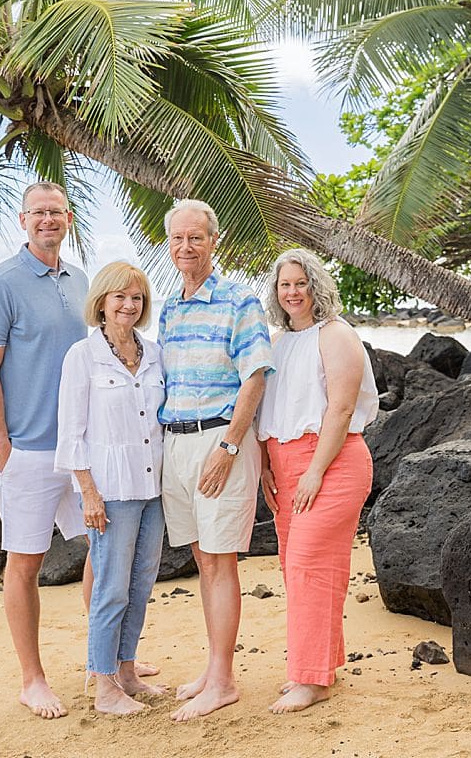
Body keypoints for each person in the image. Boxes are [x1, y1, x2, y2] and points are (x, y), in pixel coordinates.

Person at [0, 181, 88, 719]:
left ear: (68, 218)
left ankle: (107, 656)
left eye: (56, 212)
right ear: (23, 220)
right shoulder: (0, 285)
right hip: (28, 451)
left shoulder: (81, 280)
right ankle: (32, 678)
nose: (48, 221)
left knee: (105, 549)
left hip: (81, 448)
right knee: (25, 562)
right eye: (38, 213)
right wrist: (0, 444)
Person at [156, 199, 273, 721]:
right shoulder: (168, 308)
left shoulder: (239, 301)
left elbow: (255, 377)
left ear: (214, 240)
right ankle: (213, 667)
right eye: (178, 238)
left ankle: (223, 681)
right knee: (203, 559)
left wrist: (229, 446)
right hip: (175, 442)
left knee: (221, 560)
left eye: (196, 238)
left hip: (218, 442)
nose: (186, 247)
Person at [255, 248, 379, 714]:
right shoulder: (278, 341)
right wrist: (268, 466)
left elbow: (341, 409)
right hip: (285, 467)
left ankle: (311, 679)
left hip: (332, 462)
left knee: (310, 564)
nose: (292, 293)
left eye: (300, 284)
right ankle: (319, 665)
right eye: (284, 285)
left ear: (316, 287)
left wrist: (314, 471)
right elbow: (271, 411)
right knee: (299, 569)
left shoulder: (336, 334)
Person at [56, 261, 168, 715]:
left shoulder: (154, 352)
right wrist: (88, 491)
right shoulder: (82, 357)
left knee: (141, 584)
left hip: (153, 485)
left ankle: (126, 672)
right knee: (111, 588)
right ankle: (102, 685)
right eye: (119, 296)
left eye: (136, 297)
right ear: (101, 302)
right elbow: (71, 432)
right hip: (111, 489)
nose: (128, 304)